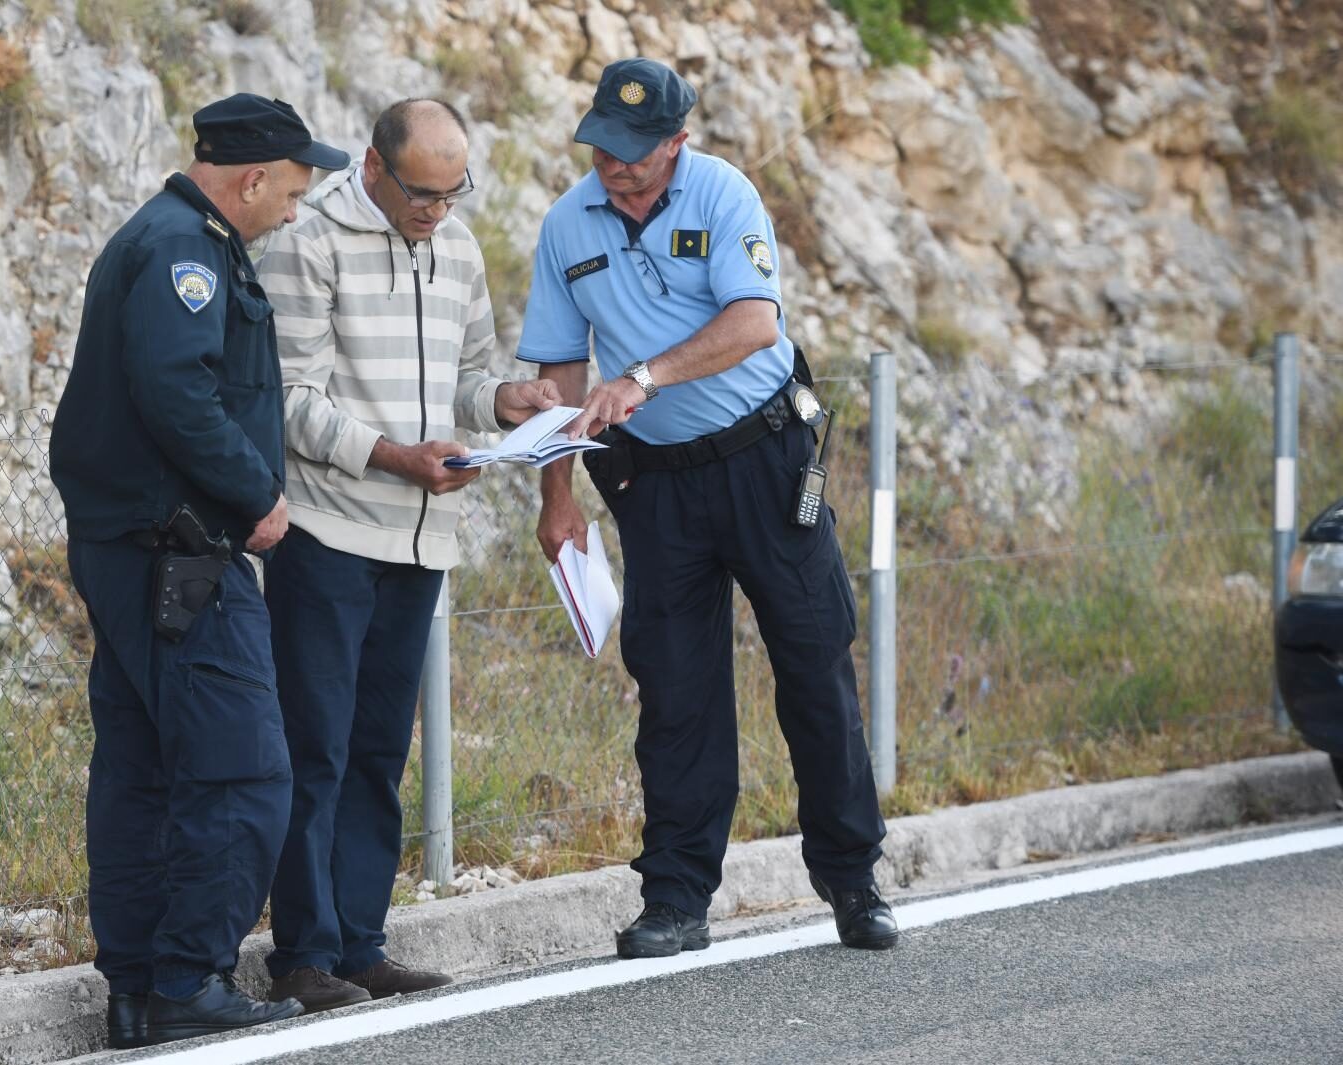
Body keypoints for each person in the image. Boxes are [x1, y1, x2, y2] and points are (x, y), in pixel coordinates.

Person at [517, 59, 900, 958]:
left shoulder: (725, 194)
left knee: (813, 665)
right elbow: (560, 370)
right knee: (676, 688)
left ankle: (853, 880)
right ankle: (678, 898)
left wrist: (644, 376)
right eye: (603, 150)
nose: (617, 169)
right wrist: (558, 494)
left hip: (762, 461)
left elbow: (754, 322)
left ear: (677, 144)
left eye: (636, 156)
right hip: (656, 483)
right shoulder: (567, 224)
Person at [49, 93, 349, 1047]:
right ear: (251, 179)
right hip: (177, 556)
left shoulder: (173, 237)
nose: (296, 211)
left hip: (136, 553)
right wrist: (255, 493)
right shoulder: (184, 249)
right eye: (293, 192)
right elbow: (176, 389)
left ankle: (139, 989)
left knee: (143, 769)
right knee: (242, 769)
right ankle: (188, 977)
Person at [254, 98, 560, 1011]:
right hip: (327, 533)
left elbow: (466, 380)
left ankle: (360, 943)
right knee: (317, 746)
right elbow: (291, 400)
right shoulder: (307, 240)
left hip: (422, 542)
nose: (438, 209)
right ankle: (303, 955)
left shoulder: (457, 247)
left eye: (453, 190)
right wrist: (395, 457)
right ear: (374, 168)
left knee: (380, 750)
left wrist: (506, 402)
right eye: (421, 192)